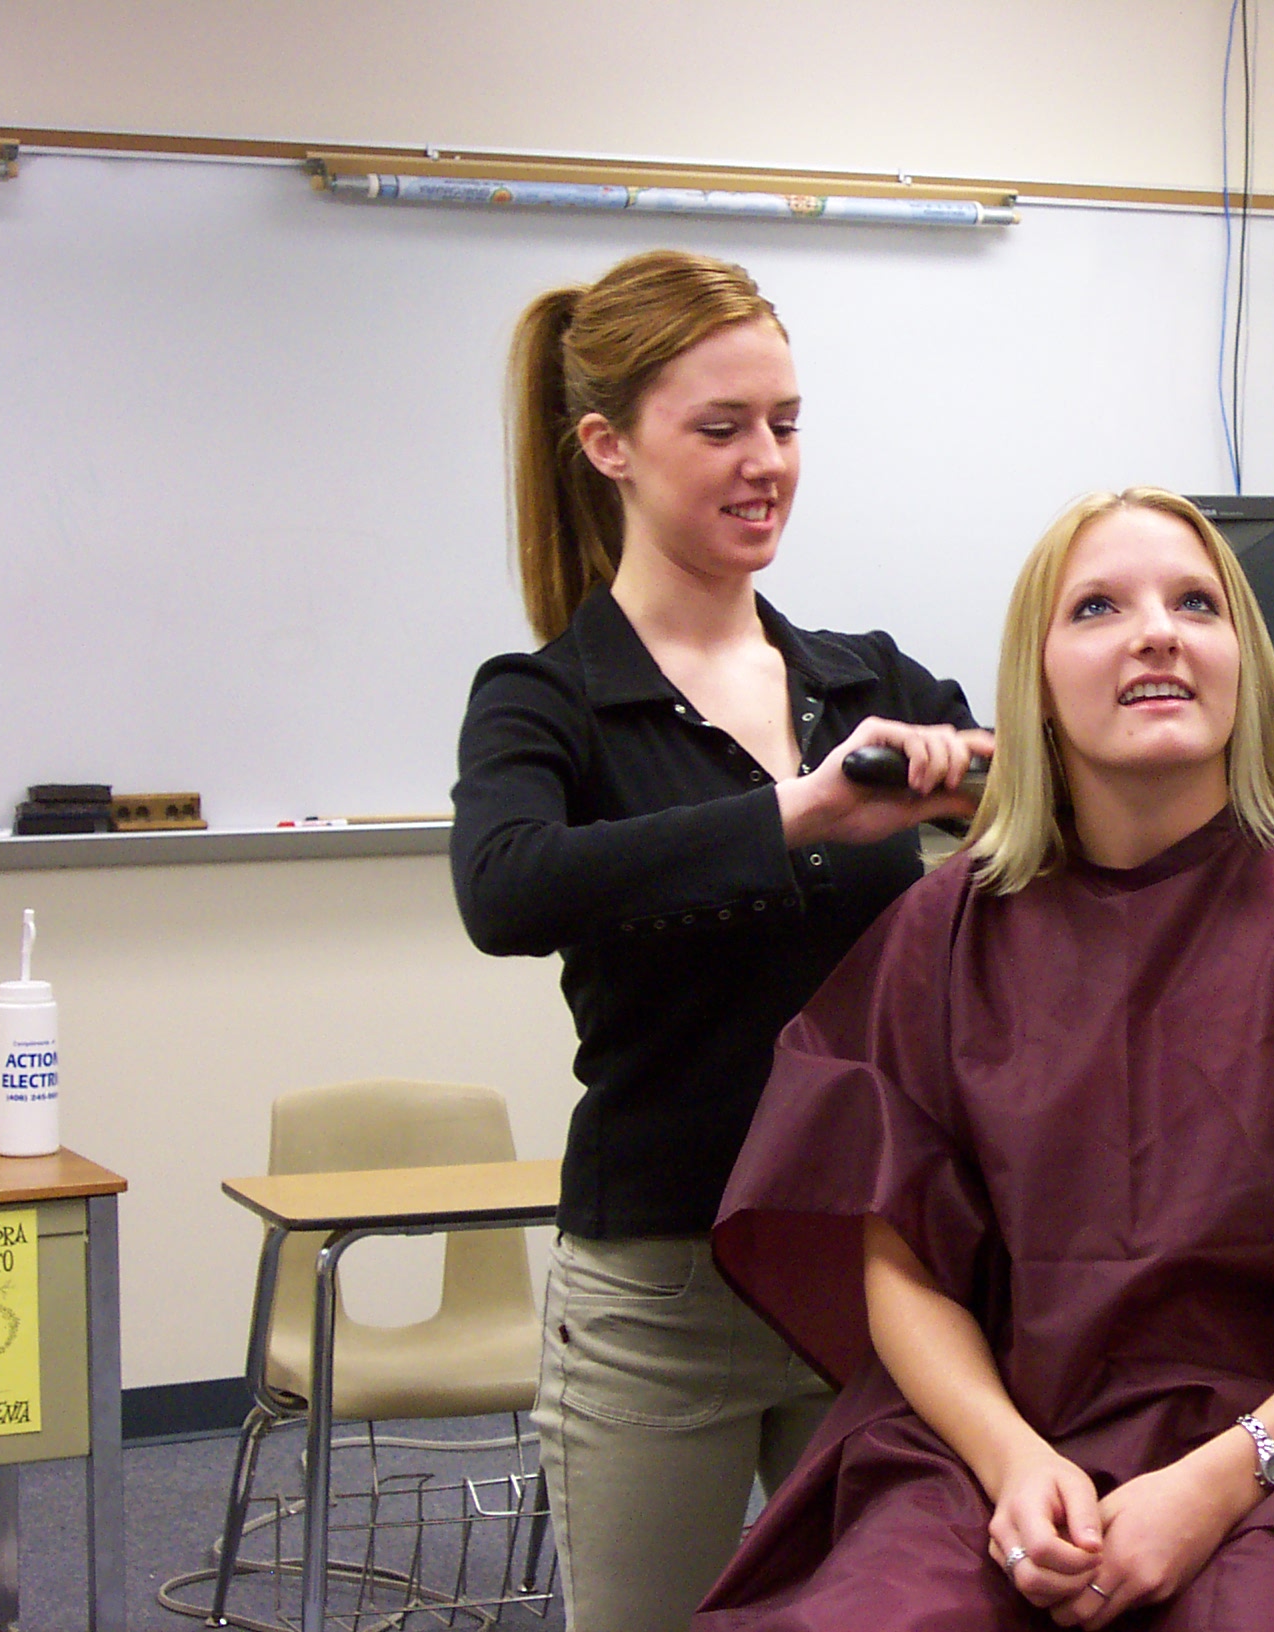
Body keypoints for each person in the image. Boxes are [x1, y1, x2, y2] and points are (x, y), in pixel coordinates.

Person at [693, 489, 1274, 1631]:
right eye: (1100, 605)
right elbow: (899, 1263)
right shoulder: (948, 930)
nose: (1156, 630)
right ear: (1037, 681)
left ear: (1241, 664)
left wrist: (1224, 1478)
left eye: (1196, 603)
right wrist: (1012, 1466)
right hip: (1008, 1443)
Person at [450, 248, 991, 1632]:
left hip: (871, 1278)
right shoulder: (548, 701)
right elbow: (506, 890)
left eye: (787, 424)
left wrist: (991, 782)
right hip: (655, 1296)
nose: (768, 462)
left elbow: (1043, 813)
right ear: (606, 445)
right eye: (723, 427)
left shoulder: (864, 677)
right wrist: (798, 816)